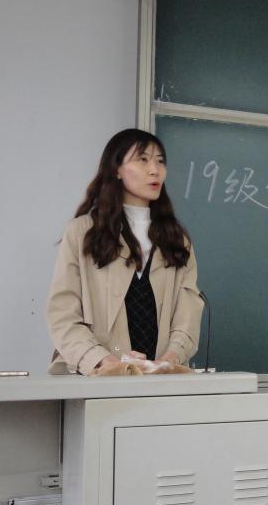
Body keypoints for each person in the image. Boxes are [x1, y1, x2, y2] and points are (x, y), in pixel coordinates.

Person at [46, 128, 203, 375]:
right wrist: (104, 361)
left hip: (159, 384)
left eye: (160, 161)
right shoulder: (83, 232)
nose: (155, 170)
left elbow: (188, 313)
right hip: (95, 380)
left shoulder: (177, 239)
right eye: (143, 159)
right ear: (116, 169)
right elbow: (62, 314)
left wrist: (169, 360)